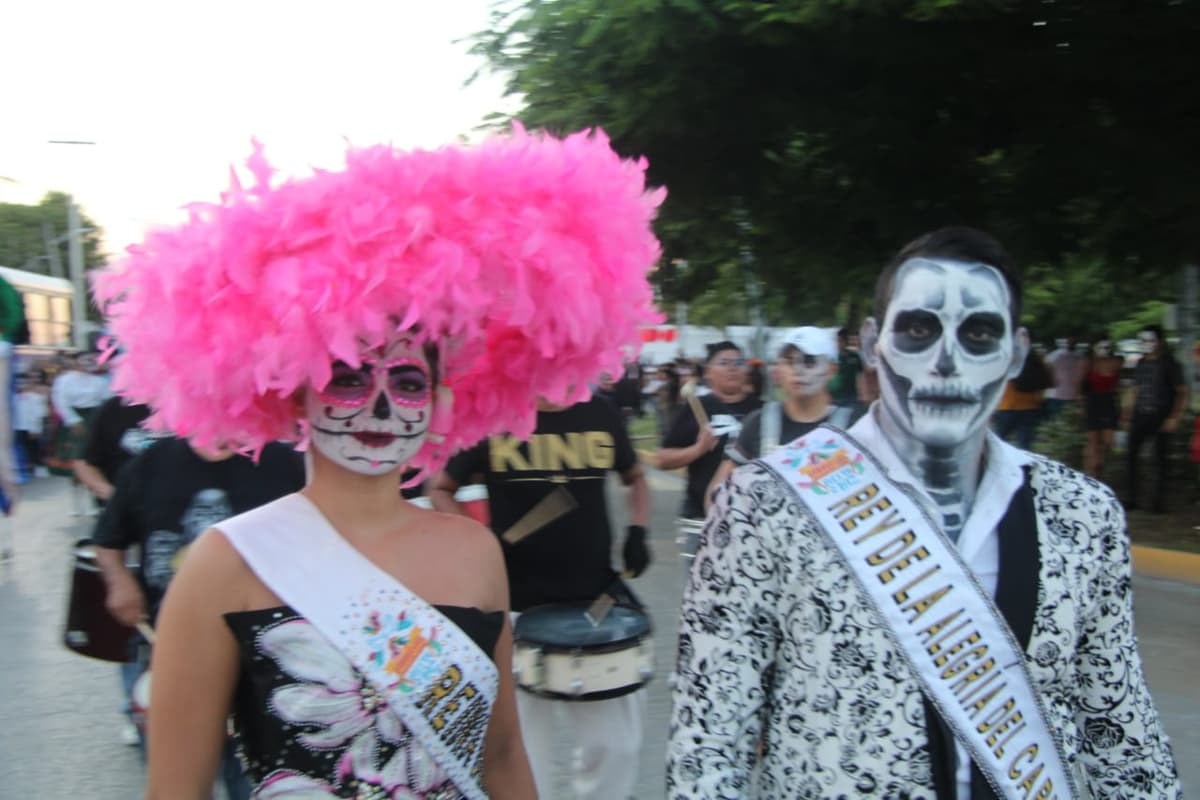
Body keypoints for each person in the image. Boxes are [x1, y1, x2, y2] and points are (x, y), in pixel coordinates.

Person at [91, 128, 661, 799]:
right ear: (294, 386)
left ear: (441, 400)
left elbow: (503, 756)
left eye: (410, 383)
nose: (382, 408)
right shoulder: (226, 566)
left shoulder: (474, 553)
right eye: (349, 378)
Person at [668, 226, 1181, 798]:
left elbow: (1122, 736)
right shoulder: (764, 502)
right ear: (870, 342)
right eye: (918, 328)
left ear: (1014, 353)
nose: (946, 362)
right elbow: (709, 743)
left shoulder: (1082, 518)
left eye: (980, 333)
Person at [429, 393, 651, 800]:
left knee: (617, 746)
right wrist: (478, 543)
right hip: (515, 609)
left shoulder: (599, 410)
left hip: (596, 604)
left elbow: (635, 475)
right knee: (524, 754)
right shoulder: (495, 414)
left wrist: (638, 530)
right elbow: (441, 487)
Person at [94, 435, 306, 795]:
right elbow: (108, 540)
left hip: (261, 665)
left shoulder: (285, 463)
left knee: (252, 789)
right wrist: (119, 583)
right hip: (170, 654)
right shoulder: (151, 464)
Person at [704, 326, 846, 509]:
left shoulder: (852, 426)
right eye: (789, 361)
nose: (798, 370)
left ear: (831, 370)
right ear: (778, 369)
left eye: (809, 361)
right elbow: (716, 497)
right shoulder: (758, 423)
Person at [656, 341, 763, 520]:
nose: (732, 368)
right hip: (702, 517)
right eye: (724, 363)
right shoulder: (697, 407)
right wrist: (698, 449)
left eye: (738, 363)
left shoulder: (763, 411)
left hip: (753, 519)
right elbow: (663, 459)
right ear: (708, 372)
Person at [1124, 324, 1188, 513]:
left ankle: (1157, 502)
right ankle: (1132, 498)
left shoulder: (1170, 364)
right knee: (1131, 456)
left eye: (1150, 340)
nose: (1146, 344)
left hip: (1161, 415)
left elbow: (1182, 392)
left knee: (1160, 460)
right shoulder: (1141, 363)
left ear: (1159, 342)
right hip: (1140, 414)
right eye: (1143, 341)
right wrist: (1127, 414)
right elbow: (1135, 390)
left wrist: (1174, 417)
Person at [992, 347, 1051, 450]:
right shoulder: (1037, 362)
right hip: (1030, 407)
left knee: (997, 442)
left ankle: (994, 464)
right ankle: (1023, 465)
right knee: (1025, 444)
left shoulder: (1005, 361)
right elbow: (1044, 383)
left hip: (1006, 406)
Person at [1081, 339, 1123, 479]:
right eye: (1101, 347)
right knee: (1092, 440)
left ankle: (1099, 464)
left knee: (1108, 441)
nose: (1104, 350)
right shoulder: (1089, 363)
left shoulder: (1116, 362)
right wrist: (1081, 403)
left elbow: (1119, 383)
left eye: (1107, 347)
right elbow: (1080, 385)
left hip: (1109, 401)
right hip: (1093, 401)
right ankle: (1091, 472)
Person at [827, 327, 865, 422]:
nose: (839, 343)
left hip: (851, 397)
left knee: (850, 421)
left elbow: (861, 376)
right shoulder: (831, 358)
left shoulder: (854, 357)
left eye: (841, 341)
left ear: (846, 341)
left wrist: (862, 393)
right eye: (837, 341)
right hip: (834, 398)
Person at [1044, 336, 1085, 418]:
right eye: (1069, 340)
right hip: (1057, 395)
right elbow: (1045, 365)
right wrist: (1052, 378)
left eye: (1072, 340)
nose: (1070, 342)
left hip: (1071, 396)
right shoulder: (1055, 355)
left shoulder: (1080, 356)